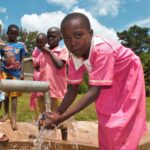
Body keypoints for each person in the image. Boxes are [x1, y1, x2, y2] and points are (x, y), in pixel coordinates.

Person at [44, 13, 147, 149]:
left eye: (78, 35)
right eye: (67, 38)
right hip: (108, 77)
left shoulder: (102, 49)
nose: (73, 42)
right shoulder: (74, 56)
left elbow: (94, 91)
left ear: (90, 34)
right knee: (105, 113)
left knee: (121, 119)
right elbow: (72, 89)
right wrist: (58, 113)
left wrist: (62, 118)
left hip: (128, 74)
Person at [38, 27, 69, 139]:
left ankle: (64, 142)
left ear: (60, 37)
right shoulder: (42, 53)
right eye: (48, 36)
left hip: (57, 92)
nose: (50, 38)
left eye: (53, 36)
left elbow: (60, 65)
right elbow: (37, 66)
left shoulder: (63, 51)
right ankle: (41, 141)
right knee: (42, 119)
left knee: (60, 120)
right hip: (42, 91)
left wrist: (49, 52)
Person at [0, 24, 27, 130]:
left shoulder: (21, 45)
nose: (13, 35)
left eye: (16, 33)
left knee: (14, 96)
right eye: (11, 33)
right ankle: (6, 114)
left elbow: (22, 59)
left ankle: (14, 118)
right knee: (5, 95)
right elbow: (1, 57)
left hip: (16, 73)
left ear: (18, 35)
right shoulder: (3, 45)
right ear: (7, 34)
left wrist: (22, 72)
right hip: (4, 72)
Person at [30, 33, 47, 121]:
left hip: (47, 77)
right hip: (38, 75)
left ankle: (47, 115)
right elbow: (36, 65)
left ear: (46, 42)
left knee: (47, 97)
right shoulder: (36, 51)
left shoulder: (48, 50)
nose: (39, 44)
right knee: (38, 96)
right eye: (37, 42)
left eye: (41, 42)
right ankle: (40, 116)